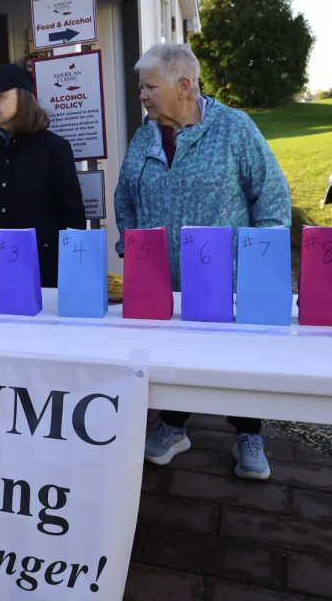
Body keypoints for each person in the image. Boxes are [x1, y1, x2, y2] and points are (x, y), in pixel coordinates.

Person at [115, 43, 291, 479]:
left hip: (227, 278)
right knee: (173, 352)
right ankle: (174, 425)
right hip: (162, 281)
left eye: (149, 86)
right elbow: (125, 200)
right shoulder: (144, 137)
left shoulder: (234, 129)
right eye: (141, 86)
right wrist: (131, 247)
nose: (142, 95)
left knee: (237, 358)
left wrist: (257, 266)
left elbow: (270, 199)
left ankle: (249, 432)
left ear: (184, 85)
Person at [0, 64, 86, 287]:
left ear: (23, 99)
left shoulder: (54, 148)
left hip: (44, 273)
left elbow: (73, 218)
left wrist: (71, 275)